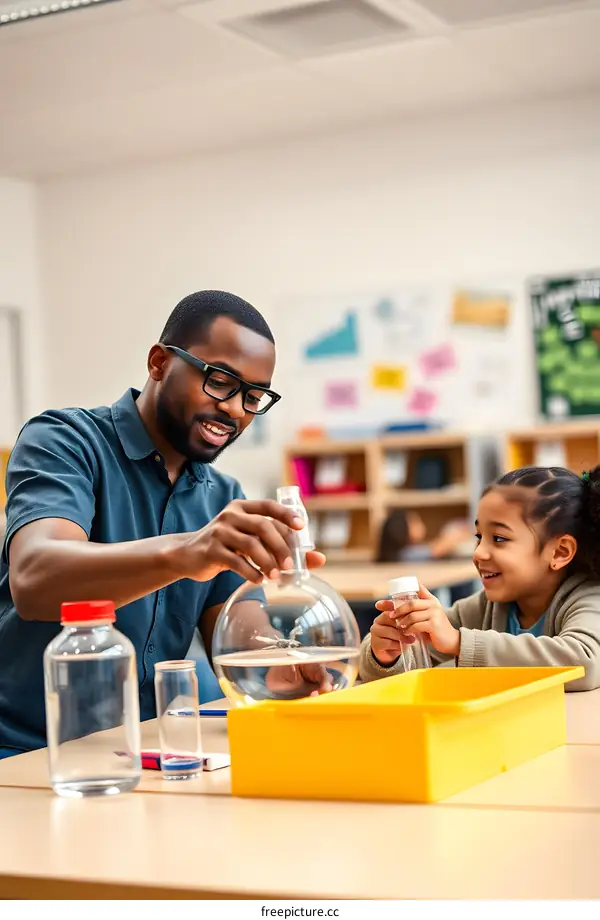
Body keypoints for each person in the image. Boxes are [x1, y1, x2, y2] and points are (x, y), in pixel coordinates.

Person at [0, 290, 326, 758]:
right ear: (158, 362)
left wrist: (285, 660)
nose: (235, 409)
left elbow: (235, 637)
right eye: (220, 381)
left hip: (150, 753)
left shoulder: (224, 496)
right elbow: (34, 579)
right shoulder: (65, 441)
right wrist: (190, 552)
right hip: (29, 752)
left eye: (254, 397)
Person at [360, 465, 600, 690]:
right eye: (479, 536)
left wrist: (458, 642)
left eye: (499, 538)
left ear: (560, 552)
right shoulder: (486, 607)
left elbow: (585, 662)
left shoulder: (589, 597)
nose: (478, 553)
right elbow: (405, 668)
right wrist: (387, 654)